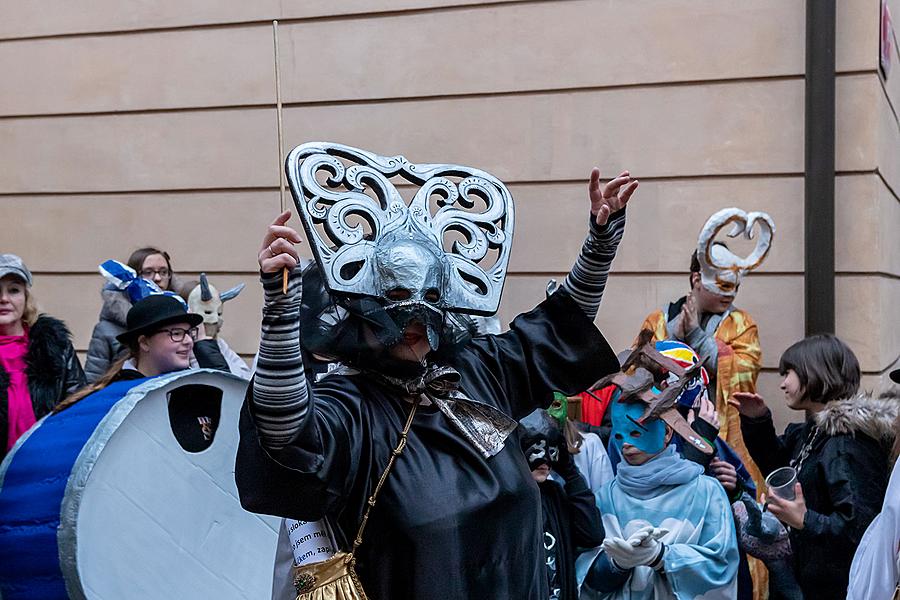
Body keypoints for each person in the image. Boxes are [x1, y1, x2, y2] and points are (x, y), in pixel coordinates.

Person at [235, 143, 635, 599]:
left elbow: (560, 329)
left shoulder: (479, 371)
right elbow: (285, 435)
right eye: (397, 305)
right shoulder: (350, 412)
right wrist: (280, 310)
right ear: (362, 306)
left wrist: (600, 245)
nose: (414, 324)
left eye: (428, 307)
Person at [733, 334, 897, 600]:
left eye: (789, 373)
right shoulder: (813, 431)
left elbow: (860, 530)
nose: (783, 384)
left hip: (833, 588)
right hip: (805, 580)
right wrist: (757, 421)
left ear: (816, 372)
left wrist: (804, 519)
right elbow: (780, 468)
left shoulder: (849, 443)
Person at [580, 350, 739, 599]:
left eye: (636, 434)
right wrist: (616, 565)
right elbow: (588, 581)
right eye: (619, 436)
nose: (626, 446)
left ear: (667, 432)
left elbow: (721, 567)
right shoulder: (605, 498)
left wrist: (662, 557)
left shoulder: (707, 493)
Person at [0, 254, 85, 459]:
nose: (4, 299)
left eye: (13, 290)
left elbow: (78, 404)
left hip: (45, 465)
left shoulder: (55, 345)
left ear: (26, 298)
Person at [520, 409, 605, 600]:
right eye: (537, 448)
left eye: (552, 449)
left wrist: (571, 473)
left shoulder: (554, 495)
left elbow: (592, 535)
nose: (546, 459)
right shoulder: (505, 501)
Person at [84, 247, 187, 382]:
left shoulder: (185, 319)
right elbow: (93, 380)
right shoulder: (107, 329)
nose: (157, 278)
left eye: (163, 272)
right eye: (148, 272)